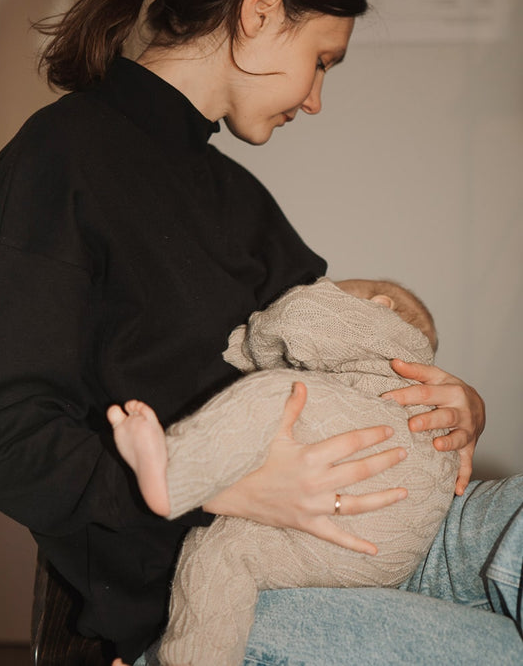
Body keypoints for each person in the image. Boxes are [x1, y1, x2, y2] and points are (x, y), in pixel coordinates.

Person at [0, 0, 518, 665]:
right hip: (225, 585)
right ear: (260, 12)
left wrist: (454, 405)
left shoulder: (238, 197)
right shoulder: (59, 156)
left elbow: (336, 343)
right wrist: (215, 487)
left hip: (383, 538)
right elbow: (5, 434)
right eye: (321, 61)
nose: (318, 99)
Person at [107, 276, 460, 666]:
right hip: (385, 551)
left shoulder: (383, 335)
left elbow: (298, 317)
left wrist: (247, 342)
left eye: (334, 290)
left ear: (380, 306)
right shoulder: (434, 394)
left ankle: (177, 472)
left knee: (281, 391)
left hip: (383, 461)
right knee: (223, 549)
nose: (322, 290)